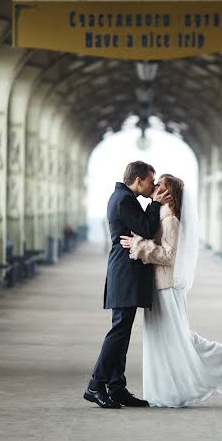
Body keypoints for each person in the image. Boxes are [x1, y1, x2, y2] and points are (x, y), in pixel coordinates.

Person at [121, 173, 222, 407]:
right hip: (161, 285)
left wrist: (137, 244)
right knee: (169, 337)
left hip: (165, 287)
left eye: (161, 185)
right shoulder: (162, 214)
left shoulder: (170, 220)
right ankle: (169, 390)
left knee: (172, 338)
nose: (155, 186)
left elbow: (169, 256)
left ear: (169, 193)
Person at [84, 161, 169, 409]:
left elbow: (141, 230)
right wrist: (155, 205)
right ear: (139, 180)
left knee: (123, 331)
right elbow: (146, 227)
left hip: (126, 272)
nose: (153, 186)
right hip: (125, 273)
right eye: (151, 181)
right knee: (119, 331)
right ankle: (95, 384)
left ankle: (117, 387)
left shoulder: (124, 197)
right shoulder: (124, 199)